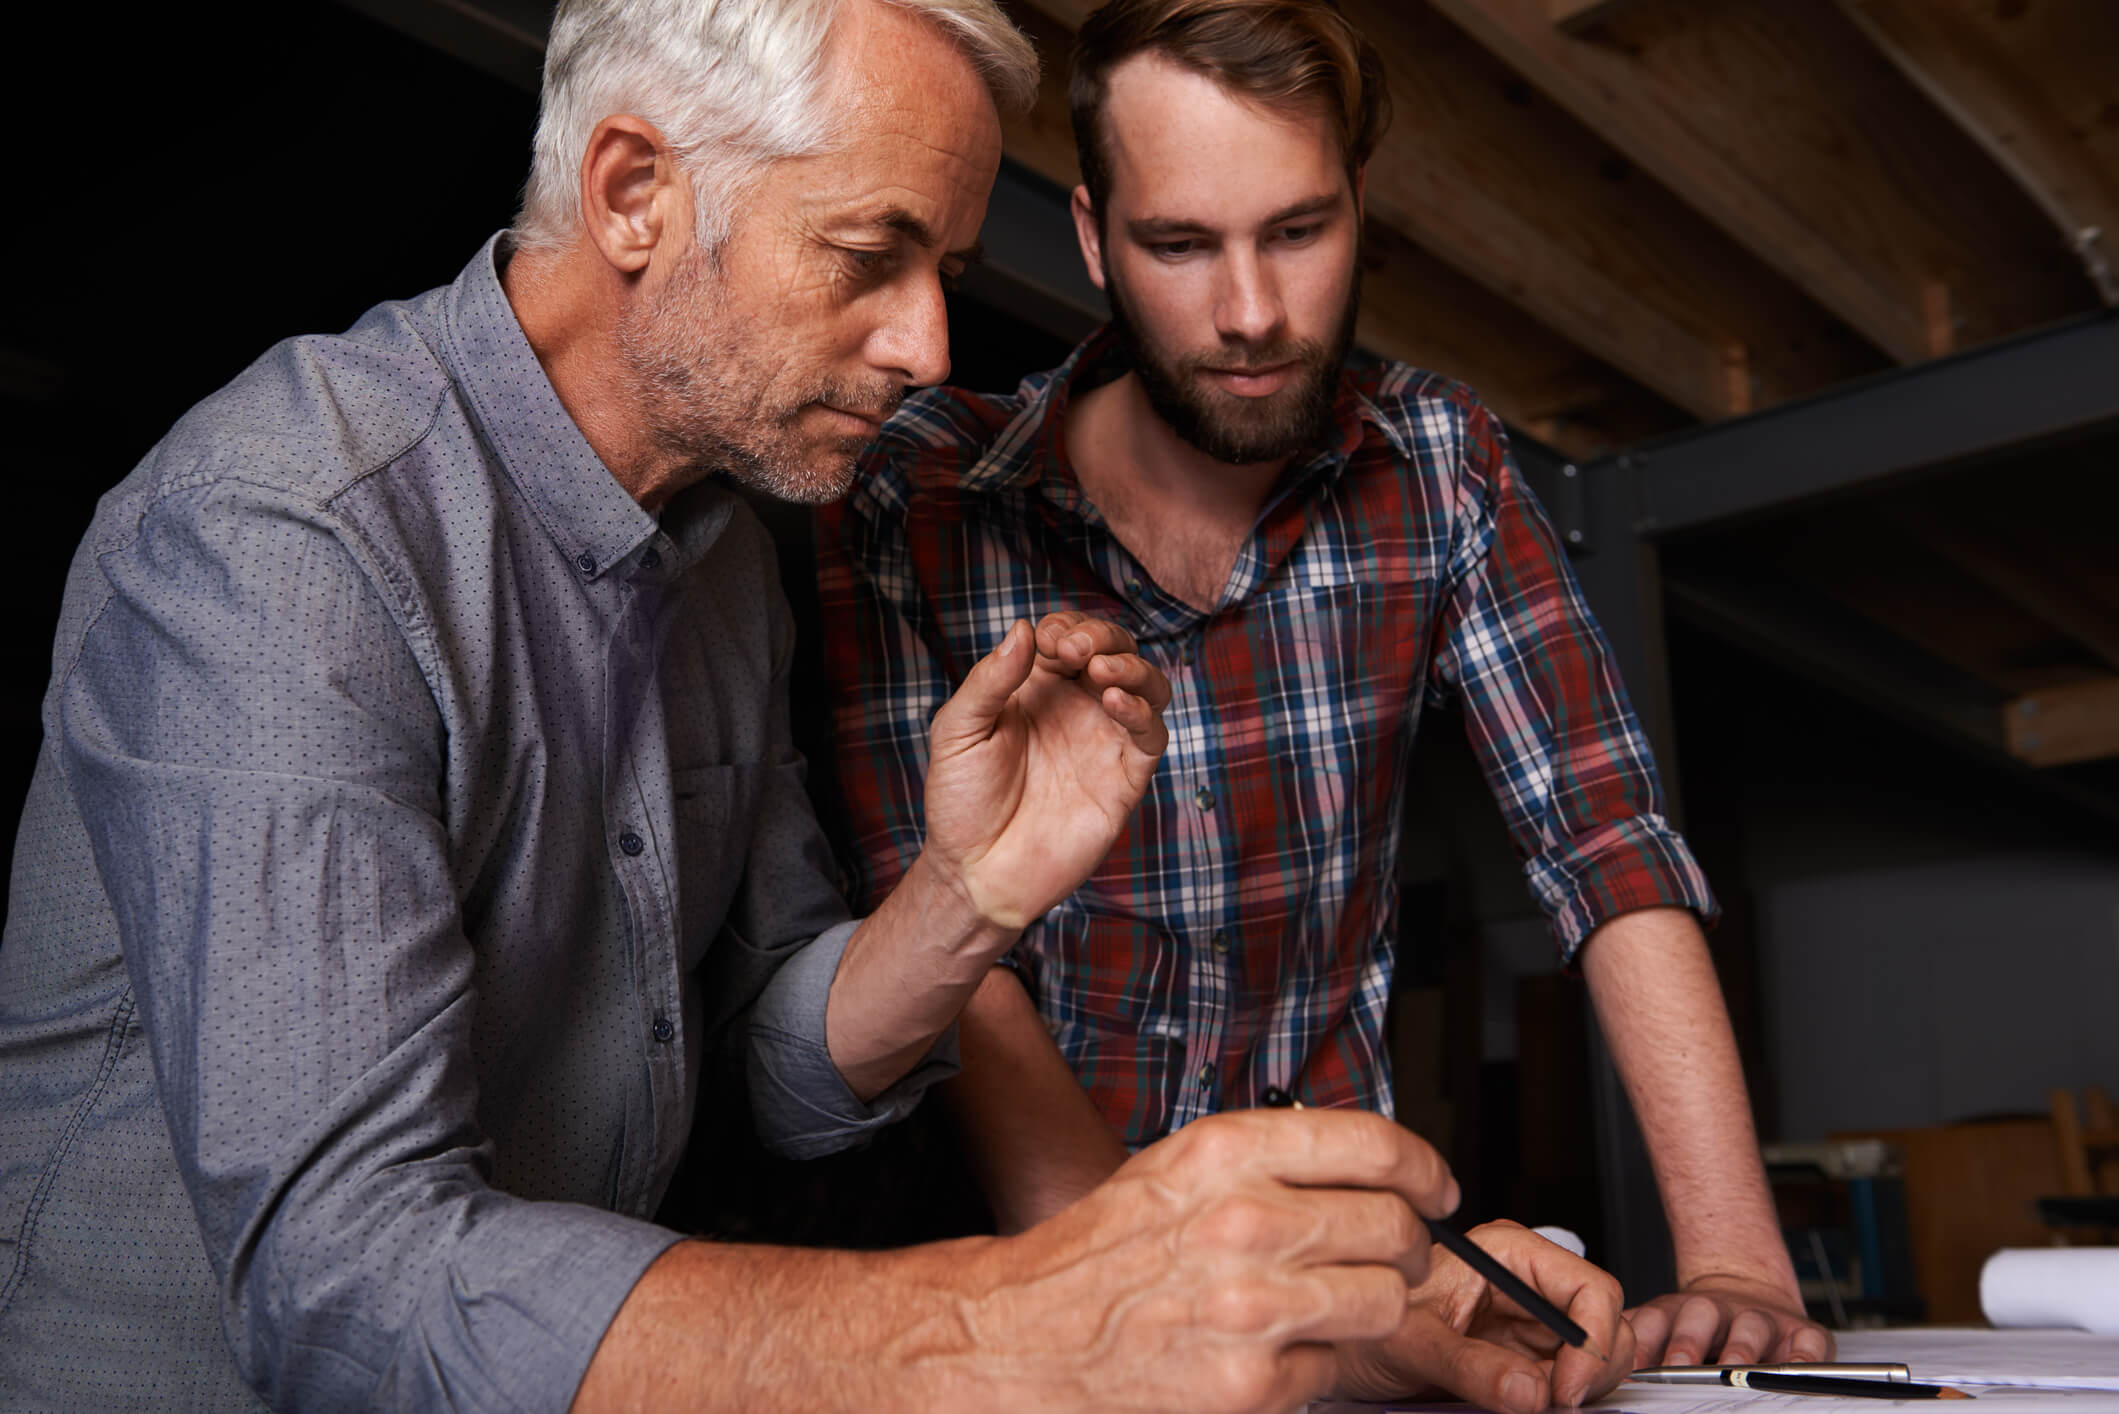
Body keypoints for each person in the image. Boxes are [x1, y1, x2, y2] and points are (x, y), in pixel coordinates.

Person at [0, 0, 1635, 1409]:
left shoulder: (722, 552)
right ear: (635, 192)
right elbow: (344, 1276)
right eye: (870, 255)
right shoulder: (287, 532)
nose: (931, 342)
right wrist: (1028, 1327)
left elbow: (773, 1071)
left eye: (940, 265)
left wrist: (967, 894)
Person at [819, 0, 1829, 1377]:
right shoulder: (917, 492)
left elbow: (1605, 841)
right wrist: (1141, 1294)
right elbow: (939, 950)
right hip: (1003, 1310)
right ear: (1093, 238)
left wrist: (1733, 1259)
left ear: (1360, 204)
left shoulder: (1439, 464)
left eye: (1298, 232)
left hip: (1348, 1290)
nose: (1250, 314)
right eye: (1180, 244)